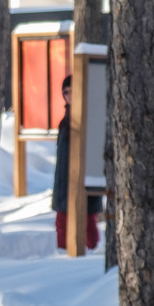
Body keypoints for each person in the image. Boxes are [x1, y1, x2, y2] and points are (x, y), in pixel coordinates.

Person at [51, 75, 102, 251]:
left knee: (88, 226)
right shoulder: (65, 121)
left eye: (72, 91)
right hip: (63, 186)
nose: (69, 95)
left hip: (85, 184)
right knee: (62, 227)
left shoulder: (89, 118)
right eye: (66, 92)